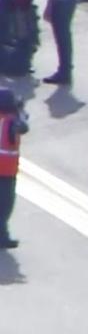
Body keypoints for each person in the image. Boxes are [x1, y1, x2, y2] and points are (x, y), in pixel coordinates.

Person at [0, 88, 26, 248]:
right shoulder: (10, 121)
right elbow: (22, 127)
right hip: (6, 171)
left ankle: (3, 235)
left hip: (7, 170)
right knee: (5, 206)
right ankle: (2, 236)